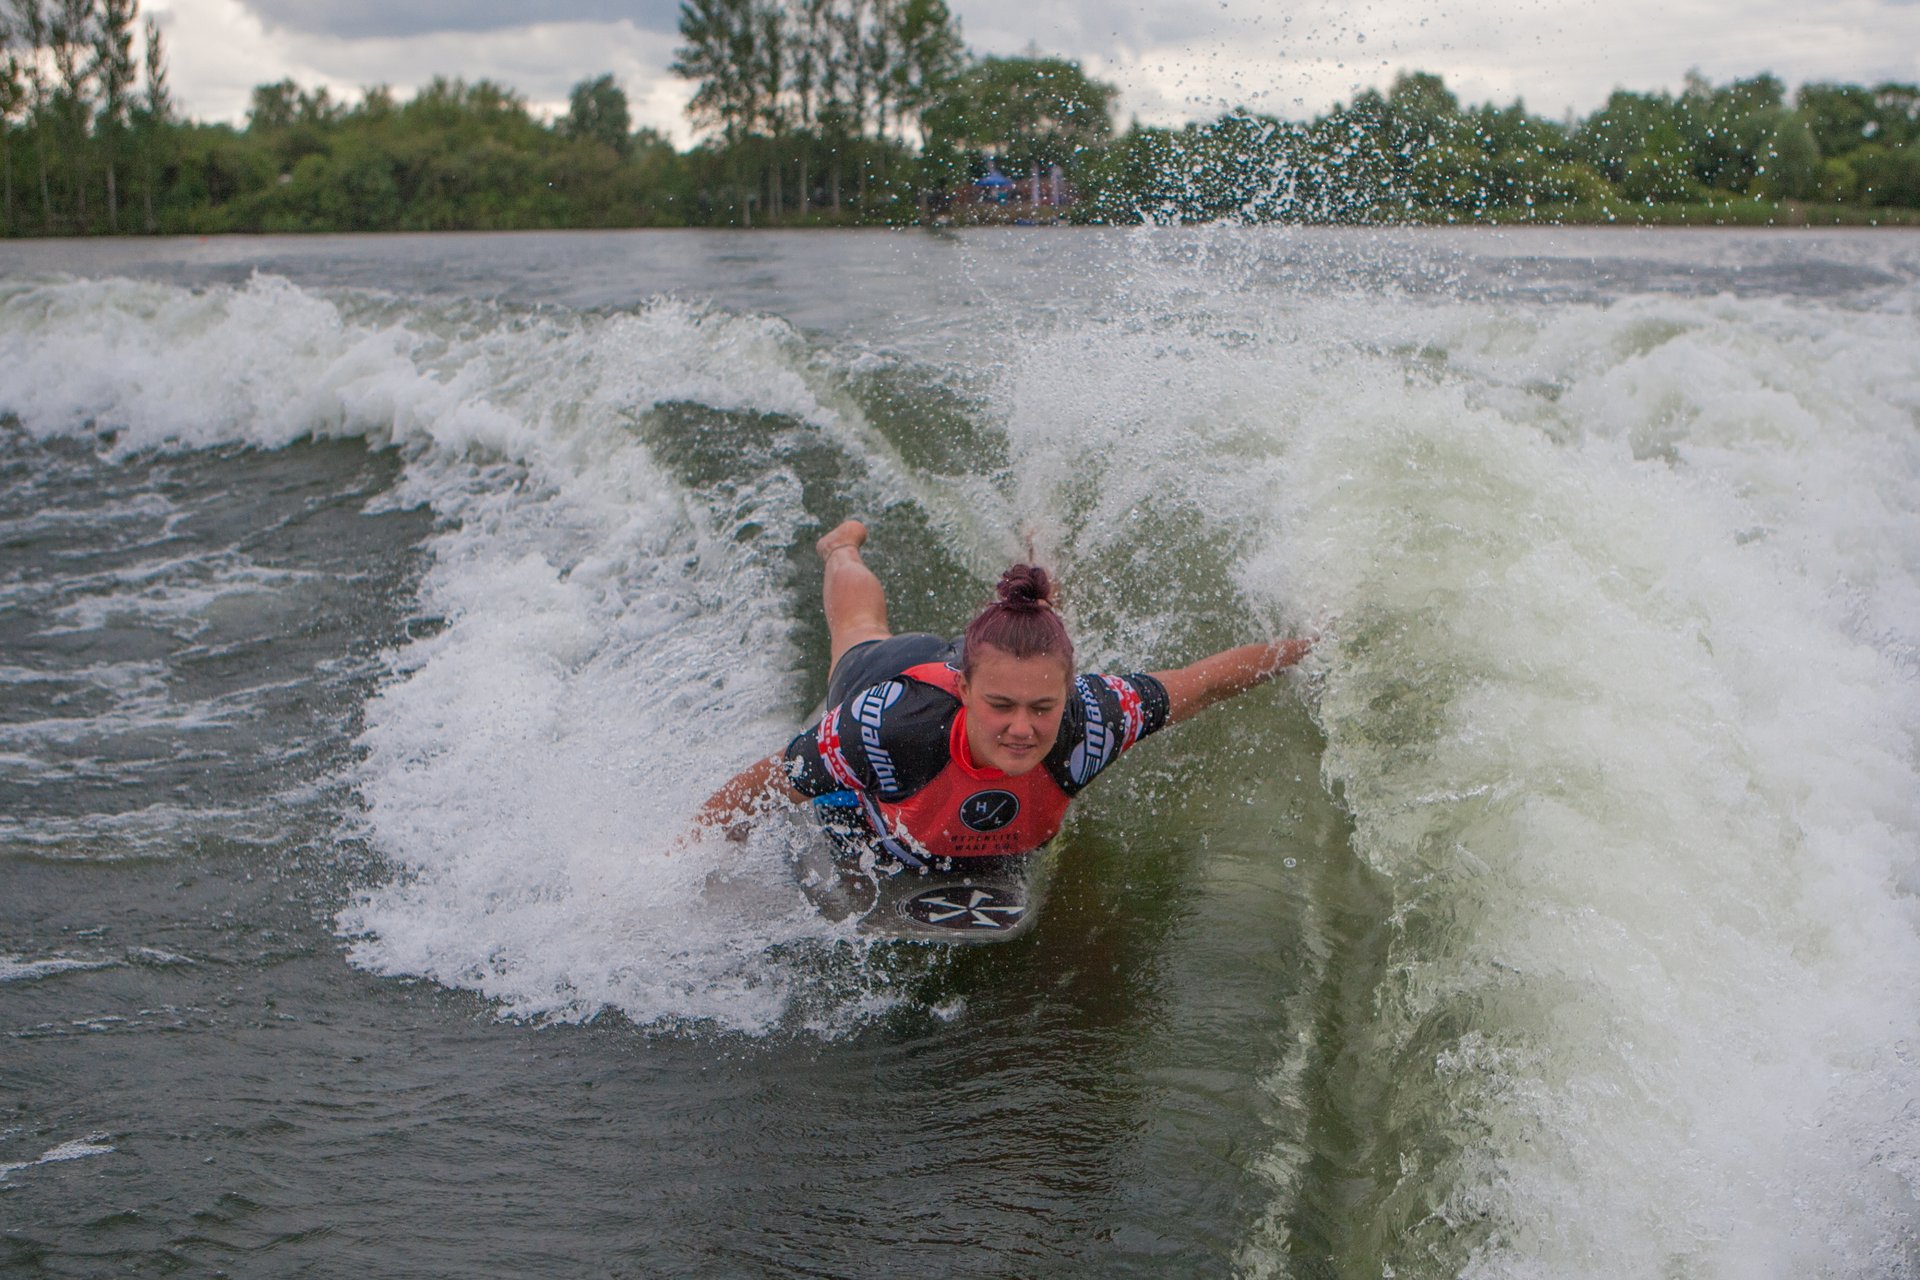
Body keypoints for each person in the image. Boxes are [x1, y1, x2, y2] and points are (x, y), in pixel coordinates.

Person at [695, 519, 1311, 867]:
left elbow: (1205, 682)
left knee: (1034, 642)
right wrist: (685, 865)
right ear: (964, 690)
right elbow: (763, 784)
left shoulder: (1094, 718)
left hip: (999, 666)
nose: (1023, 730)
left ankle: (1036, 573)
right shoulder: (882, 729)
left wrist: (1309, 646)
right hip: (897, 673)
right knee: (858, 629)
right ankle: (842, 548)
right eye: (1002, 709)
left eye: (1043, 709)